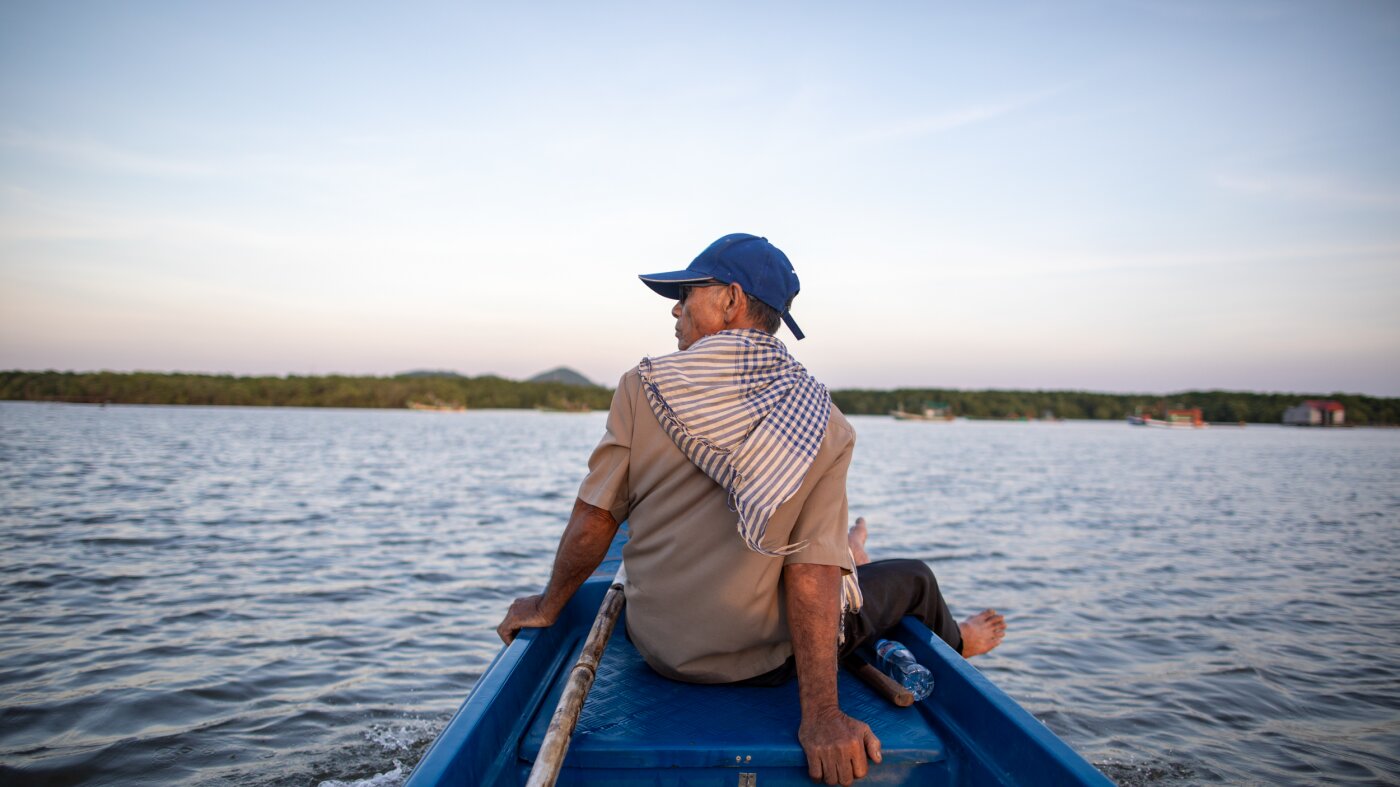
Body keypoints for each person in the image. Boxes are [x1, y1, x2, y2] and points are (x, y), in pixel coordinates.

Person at [497, 233, 1006, 786]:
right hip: (759, 663)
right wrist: (821, 718)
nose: (675, 307)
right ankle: (957, 641)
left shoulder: (642, 387)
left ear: (731, 300)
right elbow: (810, 571)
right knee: (913, 578)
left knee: (839, 559)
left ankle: (854, 559)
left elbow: (597, 517)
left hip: (658, 648)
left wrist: (549, 606)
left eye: (688, 292)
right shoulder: (820, 418)